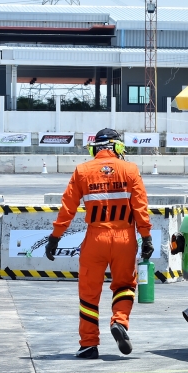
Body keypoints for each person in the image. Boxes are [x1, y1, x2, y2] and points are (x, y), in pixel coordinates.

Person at [45, 128, 154, 359]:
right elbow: (141, 207)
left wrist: (55, 237)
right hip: (124, 238)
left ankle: (88, 344)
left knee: (88, 292)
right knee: (125, 285)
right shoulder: (130, 169)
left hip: (95, 238)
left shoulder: (82, 170)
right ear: (117, 147)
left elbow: (67, 208)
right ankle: (120, 322)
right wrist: (146, 237)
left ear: (95, 148)